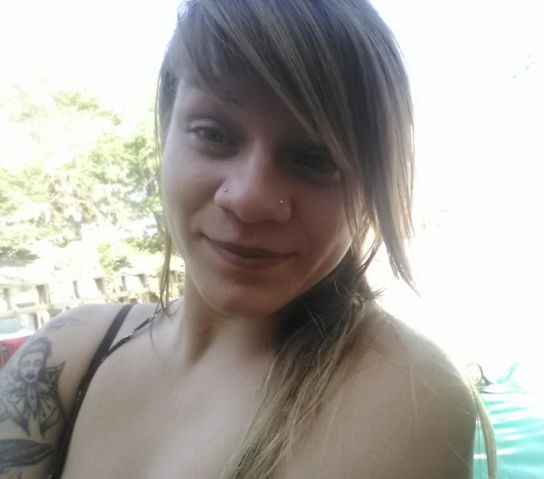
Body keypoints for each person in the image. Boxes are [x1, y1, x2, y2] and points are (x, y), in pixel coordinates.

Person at [0, 0, 496, 477]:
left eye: (317, 159)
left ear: (371, 188)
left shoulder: (406, 396)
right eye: (213, 133)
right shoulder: (68, 352)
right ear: (167, 131)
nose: (252, 199)